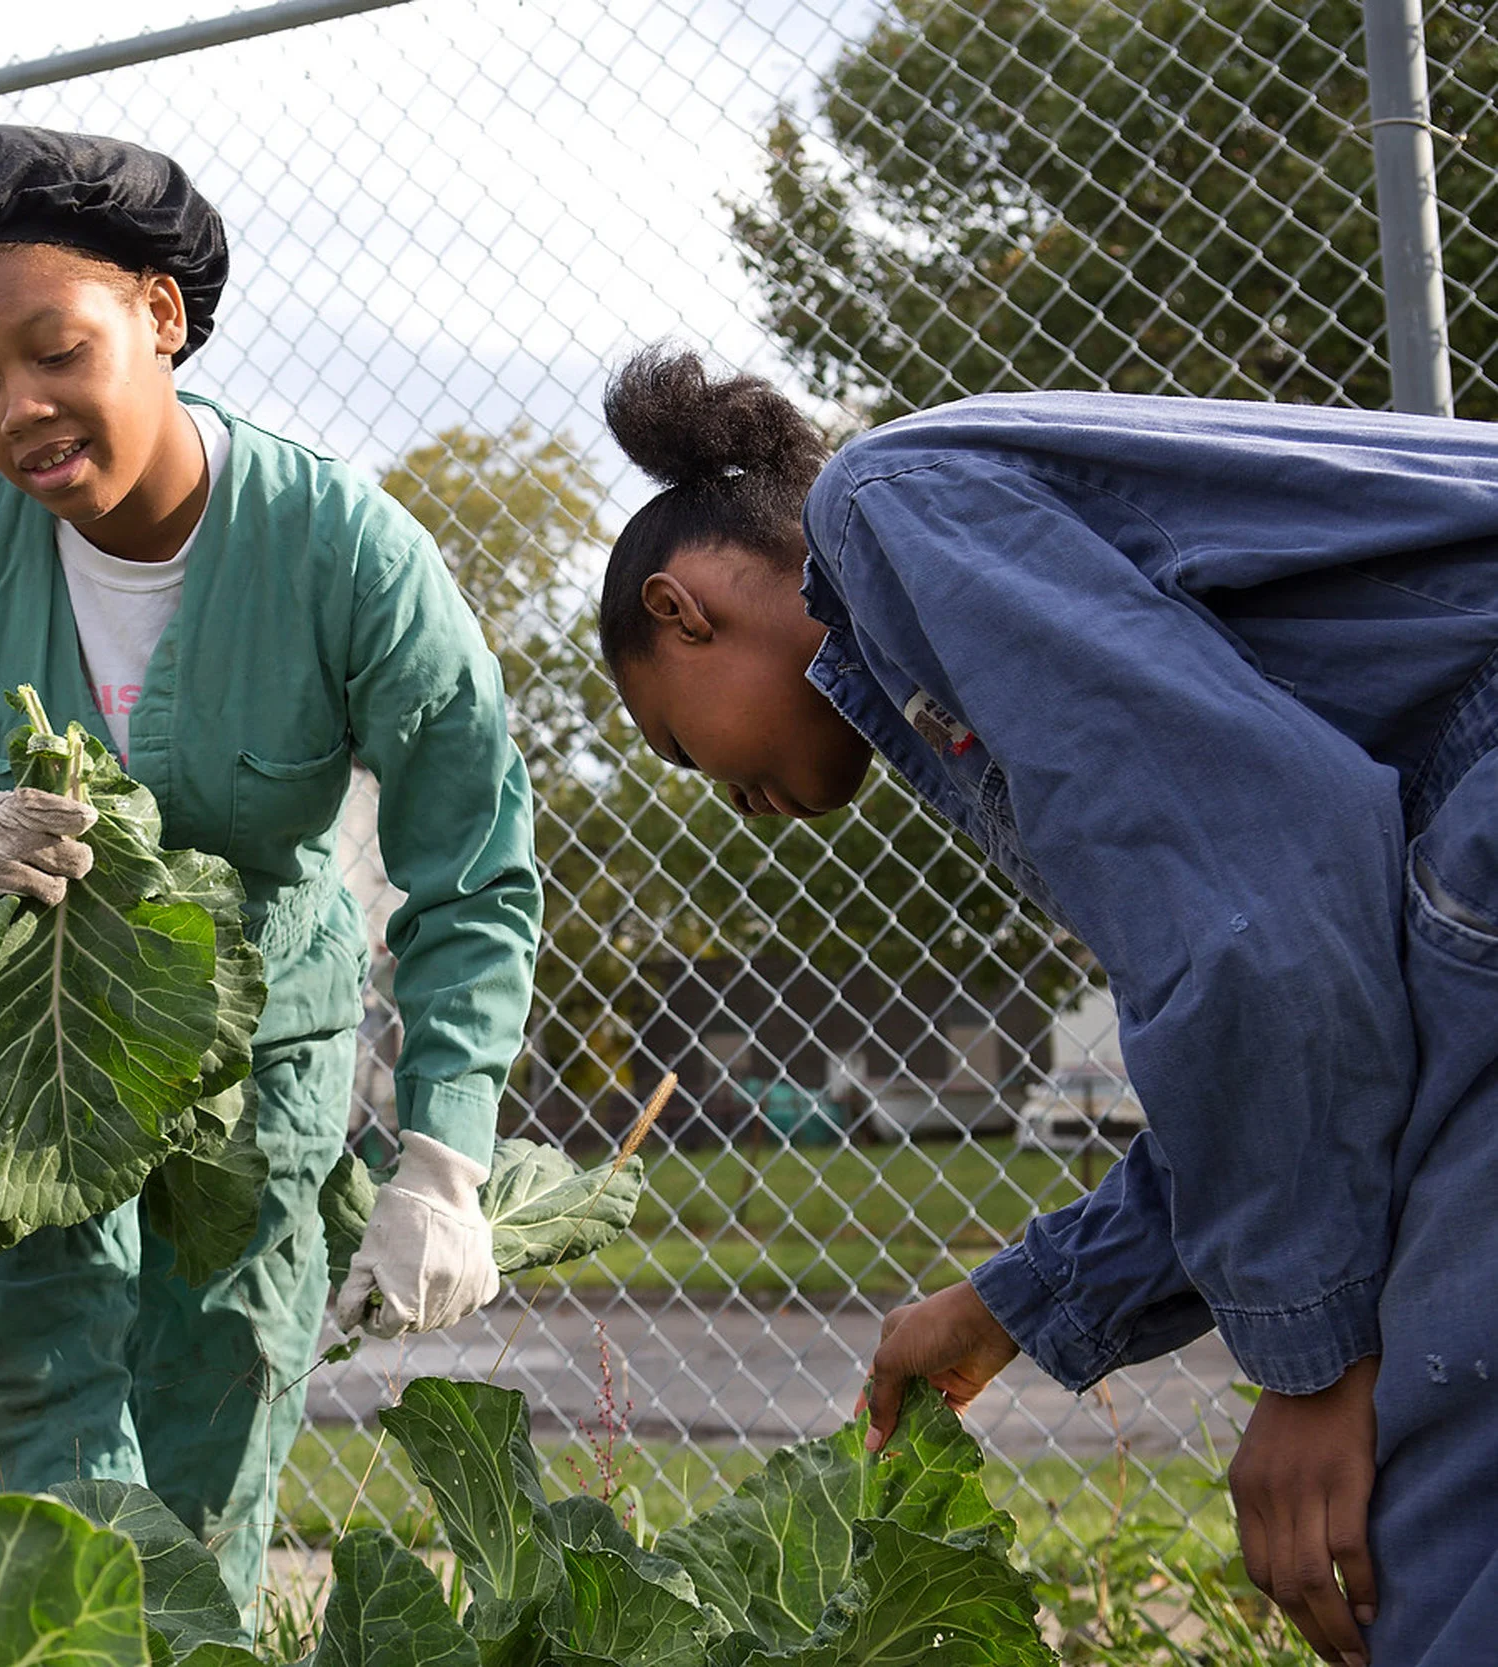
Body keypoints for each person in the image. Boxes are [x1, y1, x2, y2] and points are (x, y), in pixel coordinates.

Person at [592, 346, 1498, 1667]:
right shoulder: (950, 559)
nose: (732, 801)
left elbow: (1258, 929)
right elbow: (1281, 1032)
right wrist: (1013, 1301)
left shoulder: (887, 518)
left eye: (681, 746)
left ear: (683, 612)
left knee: (1428, 1549)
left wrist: (1319, 1370)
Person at [0, 125, 540, 1609]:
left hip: (259, 1049)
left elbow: (469, 859)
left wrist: (446, 1153)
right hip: (22, 1032)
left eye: (53, 351)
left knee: (213, 1424)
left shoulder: (342, 548)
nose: (18, 408)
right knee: (19, 1408)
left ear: (161, 314)